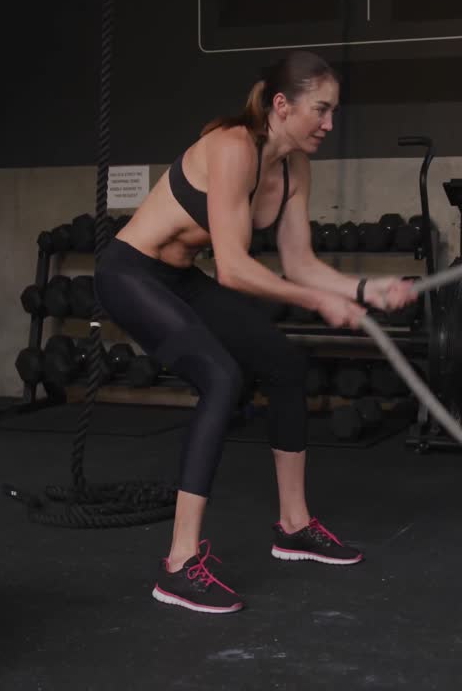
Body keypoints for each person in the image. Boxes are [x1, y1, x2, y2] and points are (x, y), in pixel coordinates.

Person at [95, 50, 416, 614]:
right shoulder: (233, 147)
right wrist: (321, 301)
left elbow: (300, 263)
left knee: (286, 364)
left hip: (177, 278)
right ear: (282, 104)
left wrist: (365, 290)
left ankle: (293, 526)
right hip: (130, 273)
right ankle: (177, 564)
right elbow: (234, 270)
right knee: (221, 377)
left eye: (334, 111)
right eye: (321, 109)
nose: (329, 124)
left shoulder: (295, 168)